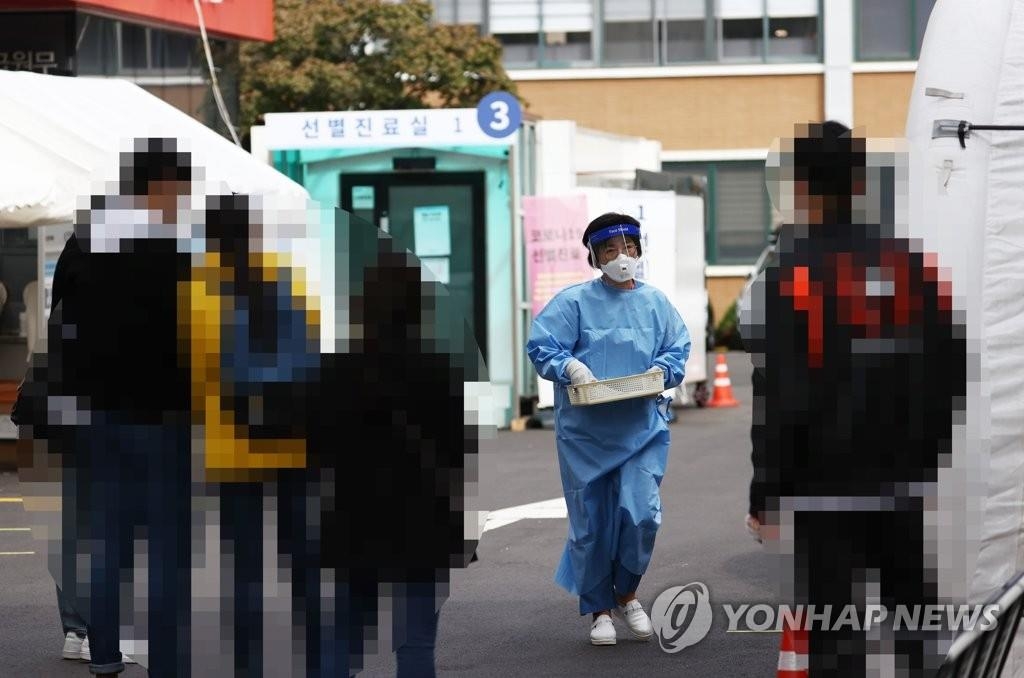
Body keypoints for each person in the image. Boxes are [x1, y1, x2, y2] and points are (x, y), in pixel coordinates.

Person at [742, 121, 965, 675]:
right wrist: (926, 459)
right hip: (901, 485)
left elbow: (779, 395)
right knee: (915, 628)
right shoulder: (910, 265)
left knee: (835, 638)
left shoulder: (791, 275)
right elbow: (949, 368)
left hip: (823, 490)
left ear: (801, 187)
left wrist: (766, 489)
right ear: (860, 183)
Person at [20, 137, 197, 677]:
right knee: (165, 542)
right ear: (161, 186)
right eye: (181, 189)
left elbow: (62, 320)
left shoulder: (86, 240)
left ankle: (102, 652)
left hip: (90, 413)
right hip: (162, 413)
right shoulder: (180, 248)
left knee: (102, 538)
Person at [525, 212, 691, 646]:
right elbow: (543, 346)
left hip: (641, 428)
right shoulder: (574, 303)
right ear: (595, 257)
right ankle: (599, 609)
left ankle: (626, 593)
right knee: (591, 522)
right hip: (586, 433)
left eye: (628, 248)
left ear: (639, 251)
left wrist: (662, 371)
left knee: (641, 514)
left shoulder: (655, 303)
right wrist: (570, 367)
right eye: (610, 250)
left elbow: (676, 348)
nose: (621, 257)